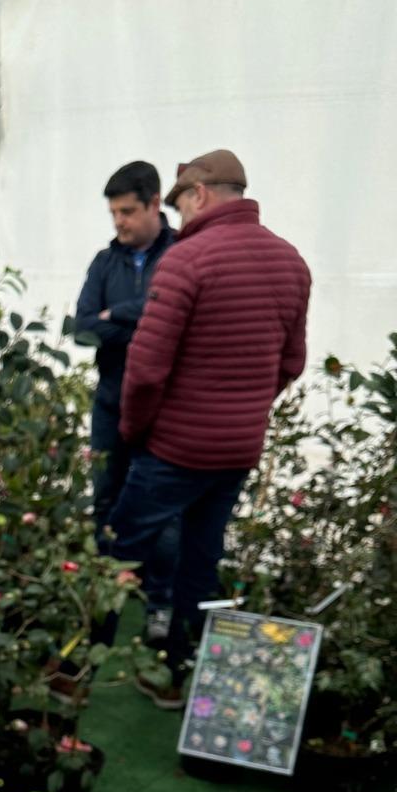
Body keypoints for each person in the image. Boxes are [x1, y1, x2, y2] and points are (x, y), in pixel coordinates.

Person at [108, 149, 311, 708]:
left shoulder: (187, 261)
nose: (180, 215)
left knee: (115, 550)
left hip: (173, 447)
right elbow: (291, 363)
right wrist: (243, 408)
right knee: (202, 564)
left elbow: (146, 370)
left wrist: (136, 431)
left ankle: (75, 660)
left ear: (198, 194)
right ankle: (181, 675)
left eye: (180, 202)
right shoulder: (292, 263)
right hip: (236, 450)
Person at [75, 161, 176, 641]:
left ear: (155, 204)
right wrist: (142, 319)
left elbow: (176, 317)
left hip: (166, 408)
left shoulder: (181, 255)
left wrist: (121, 313)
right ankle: (103, 603)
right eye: (114, 212)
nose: (119, 222)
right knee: (106, 498)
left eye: (128, 211)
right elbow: (83, 326)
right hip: (111, 402)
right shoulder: (104, 261)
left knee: (162, 509)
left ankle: (159, 606)